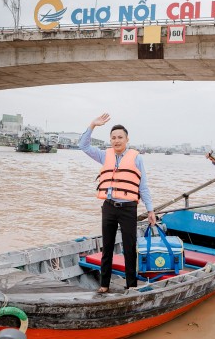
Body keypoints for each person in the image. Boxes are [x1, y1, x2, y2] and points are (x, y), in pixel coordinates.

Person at [79, 113, 156, 293]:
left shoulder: (136, 157)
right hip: (109, 207)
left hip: (128, 208)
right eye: (113, 138)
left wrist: (150, 210)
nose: (116, 140)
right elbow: (83, 145)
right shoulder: (104, 155)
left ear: (127, 139)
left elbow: (143, 186)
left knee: (130, 248)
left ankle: (131, 286)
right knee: (107, 247)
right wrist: (93, 125)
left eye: (120, 137)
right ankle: (104, 285)